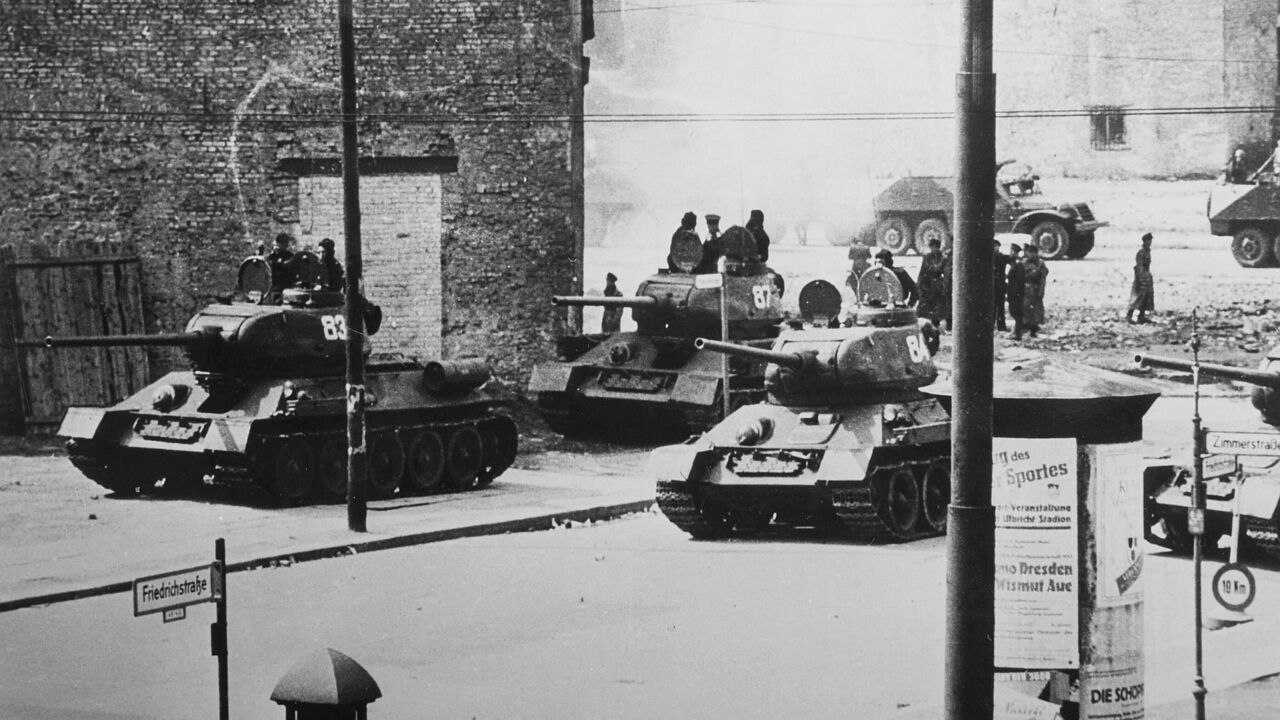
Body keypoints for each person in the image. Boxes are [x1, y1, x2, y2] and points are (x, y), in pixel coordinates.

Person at [915, 238, 949, 326]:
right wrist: (920, 285)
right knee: (925, 307)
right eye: (932, 247)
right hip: (927, 283)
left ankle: (935, 324)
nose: (934, 249)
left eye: (936, 247)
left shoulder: (942, 257)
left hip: (937, 284)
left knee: (937, 308)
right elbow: (924, 270)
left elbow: (944, 271)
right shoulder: (927, 257)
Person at [1020, 243, 1049, 338]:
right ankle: (1025, 326)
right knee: (1025, 308)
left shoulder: (1040, 264)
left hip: (1035, 289)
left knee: (1036, 310)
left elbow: (1042, 279)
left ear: (1035, 253)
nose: (1029, 254)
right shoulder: (1025, 262)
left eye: (1031, 253)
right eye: (1028, 252)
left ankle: (1033, 328)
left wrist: (1041, 291)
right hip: (1026, 289)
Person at [1126, 233, 1154, 324]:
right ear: (1145, 241)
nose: (1150, 243)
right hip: (1141, 277)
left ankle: (1141, 317)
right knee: (1138, 297)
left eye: (1150, 241)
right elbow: (1139, 266)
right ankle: (1129, 315)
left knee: (1146, 298)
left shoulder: (1147, 252)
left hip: (1147, 277)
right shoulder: (1141, 253)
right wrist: (1140, 278)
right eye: (1148, 241)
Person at [1007, 244, 1026, 340]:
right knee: (1014, 312)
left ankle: (1017, 334)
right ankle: (1016, 333)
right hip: (1013, 292)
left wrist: (1014, 292)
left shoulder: (1018, 264)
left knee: (1017, 313)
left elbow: (1019, 280)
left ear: (1014, 252)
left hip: (1016, 293)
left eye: (1011, 251)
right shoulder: (1014, 263)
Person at [993, 239, 1010, 331]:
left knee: (993, 306)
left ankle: (992, 325)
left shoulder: (991, 257)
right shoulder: (1002, 256)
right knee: (1000, 307)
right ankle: (1001, 326)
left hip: (994, 285)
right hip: (1000, 284)